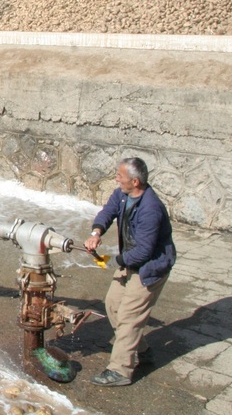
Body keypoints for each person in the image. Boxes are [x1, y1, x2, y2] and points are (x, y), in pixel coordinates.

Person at [84, 157, 177, 386]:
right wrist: (96, 233)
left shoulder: (150, 208)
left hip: (150, 268)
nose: (117, 178)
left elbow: (144, 251)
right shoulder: (122, 194)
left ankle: (120, 371)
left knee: (128, 317)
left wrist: (115, 260)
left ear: (135, 181)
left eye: (120, 176)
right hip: (132, 262)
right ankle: (141, 350)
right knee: (113, 306)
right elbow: (108, 212)